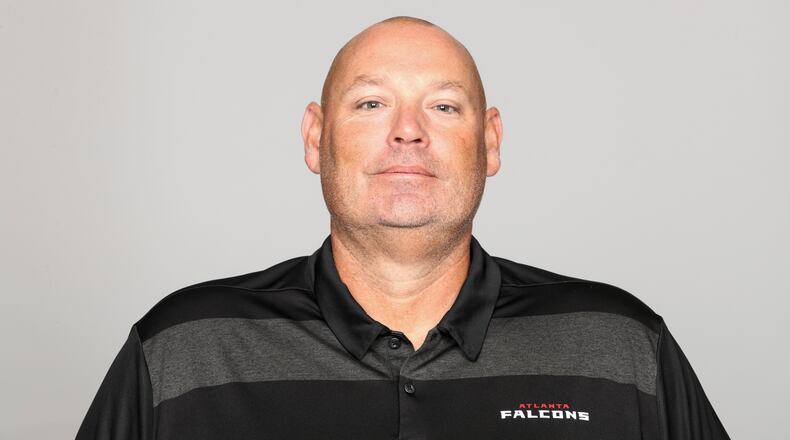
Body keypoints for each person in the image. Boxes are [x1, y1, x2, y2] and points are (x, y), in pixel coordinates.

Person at [75, 16, 730, 440]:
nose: (408, 131)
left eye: (443, 106)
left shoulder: (621, 348)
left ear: (490, 141)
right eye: (371, 103)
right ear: (316, 137)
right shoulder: (183, 351)